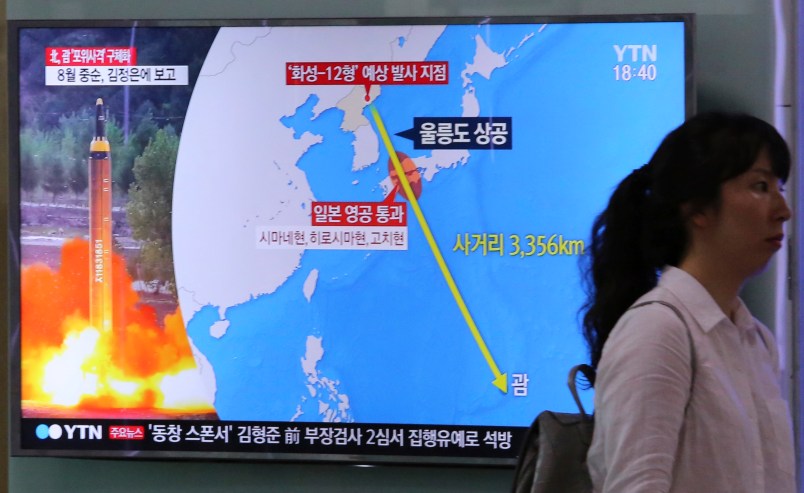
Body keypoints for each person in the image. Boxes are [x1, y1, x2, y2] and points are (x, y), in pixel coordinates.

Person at [581, 112, 796, 493]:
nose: (783, 210)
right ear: (696, 208)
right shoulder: (658, 330)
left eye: (780, 187)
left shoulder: (756, 340)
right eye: (761, 186)